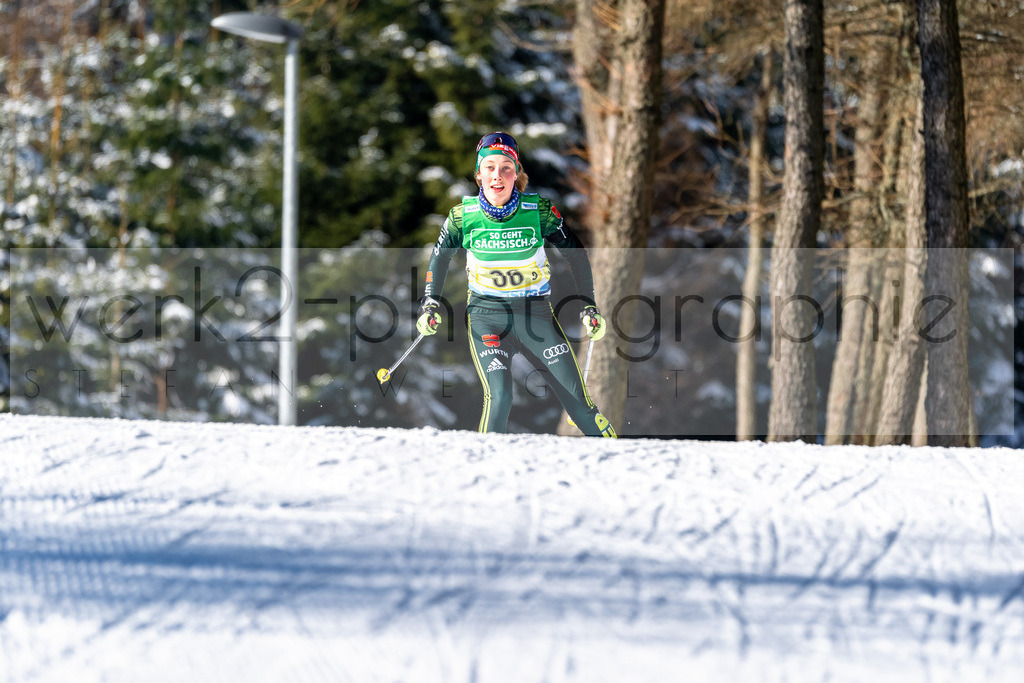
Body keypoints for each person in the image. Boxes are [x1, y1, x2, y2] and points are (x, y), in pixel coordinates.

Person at [417, 132, 616, 437]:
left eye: (506, 168)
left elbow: (576, 256)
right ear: (479, 175)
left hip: (534, 315)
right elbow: (439, 259)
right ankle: (483, 475)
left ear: (517, 174)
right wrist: (431, 302)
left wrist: (589, 305)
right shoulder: (462, 217)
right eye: (490, 167)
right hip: (487, 317)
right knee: (499, 397)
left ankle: (624, 471)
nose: (498, 176)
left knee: (581, 407)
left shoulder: (538, 212)